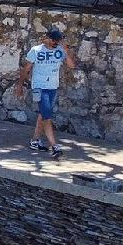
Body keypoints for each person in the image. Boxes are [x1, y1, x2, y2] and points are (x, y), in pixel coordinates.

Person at [15, 27, 78, 159]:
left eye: (58, 41)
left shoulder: (60, 51)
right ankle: (54, 146)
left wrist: (66, 51)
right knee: (46, 116)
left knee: (43, 114)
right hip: (39, 87)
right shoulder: (36, 51)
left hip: (52, 87)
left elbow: (72, 66)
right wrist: (20, 86)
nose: (56, 43)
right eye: (54, 40)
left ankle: (35, 141)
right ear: (47, 38)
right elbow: (26, 69)